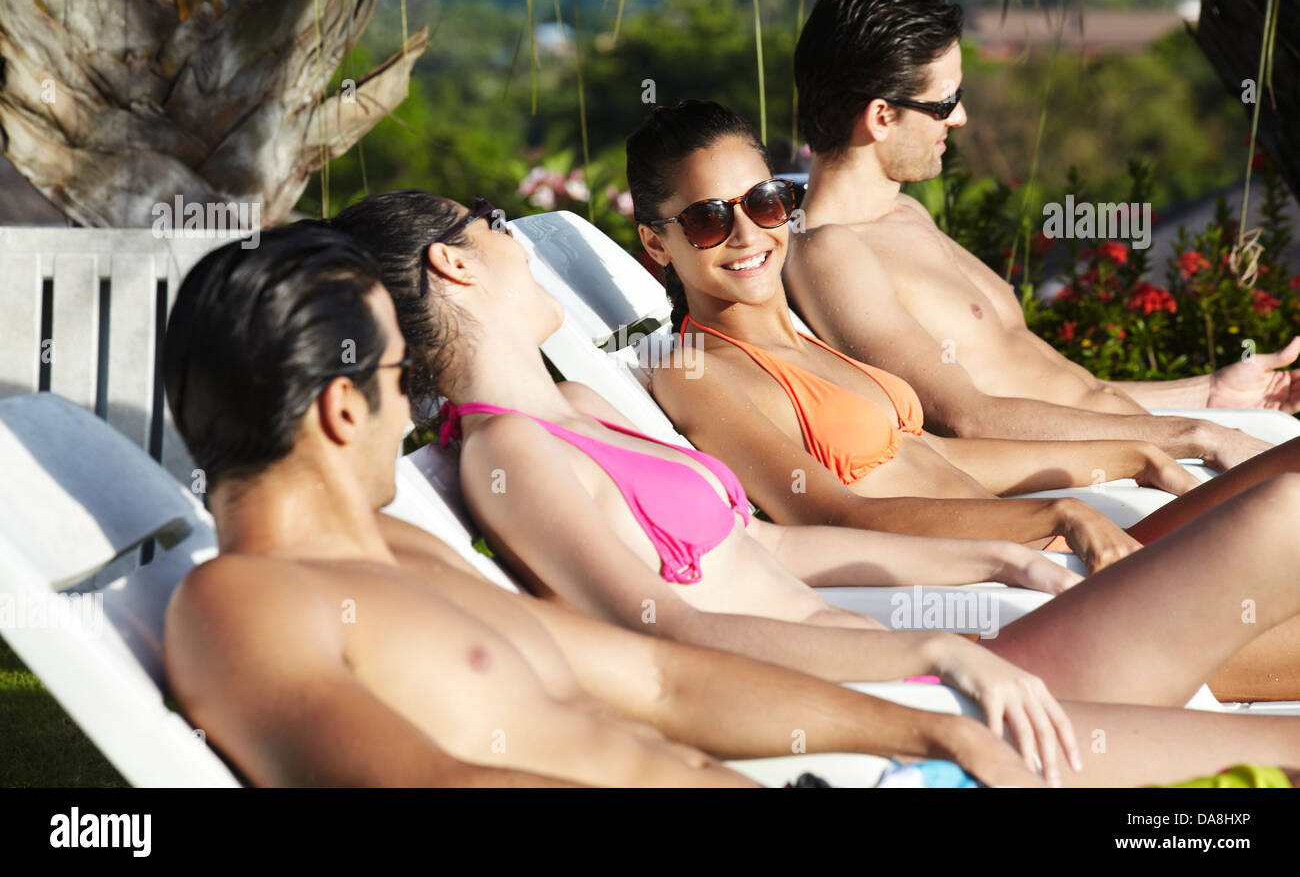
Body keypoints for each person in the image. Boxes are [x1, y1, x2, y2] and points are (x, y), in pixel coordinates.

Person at [327, 190, 1300, 783]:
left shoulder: (582, 399)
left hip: (946, 649)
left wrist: (993, 552)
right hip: (913, 692)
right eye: (494, 228)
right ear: (453, 263)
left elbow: (773, 548)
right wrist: (929, 647)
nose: (517, 241)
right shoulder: (512, 455)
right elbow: (666, 634)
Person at [161, 222, 1072, 788]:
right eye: (403, 376)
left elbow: (660, 681)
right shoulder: (241, 601)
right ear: (342, 405)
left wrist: (932, 726)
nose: (412, 409)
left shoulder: (398, 550)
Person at [625, 98, 1300, 701]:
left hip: (1051, 545)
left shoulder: (798, 338)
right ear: (657, 241)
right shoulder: (699, 372)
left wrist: (1134, 453)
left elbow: (940, 454)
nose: (747, 235)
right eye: (709, 219)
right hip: (1011, 589)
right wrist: (1055, 513)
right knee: (1282, 515)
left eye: (764, 201)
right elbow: (834, 515)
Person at [783, 0, 1300, 476]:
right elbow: (969, 420)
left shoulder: (903, 214)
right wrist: (1199, 435)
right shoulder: (830, 250)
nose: (959, 118)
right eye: (945, 103)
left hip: (1128, 449)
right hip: (1080, 483)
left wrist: (1209, 394)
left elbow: (1064, 390)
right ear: (881, 117)